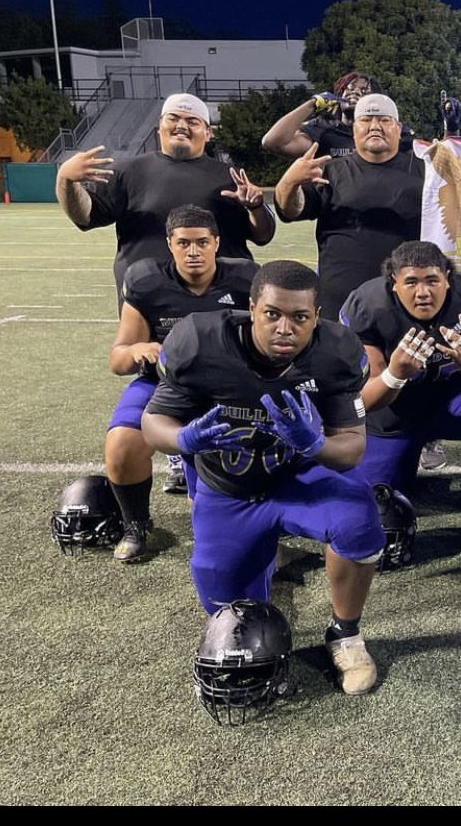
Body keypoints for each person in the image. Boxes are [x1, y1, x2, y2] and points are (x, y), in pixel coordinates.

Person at [141, 260, 385, 696]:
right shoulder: (201, 342)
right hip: (229, 489)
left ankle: (345, 634)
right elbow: (153, 421)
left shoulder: (336, 353)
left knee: (359, 519)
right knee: (228, 609)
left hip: (299, 480)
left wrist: (313, 445)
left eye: (300, 317)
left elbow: (351, 448)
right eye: (273, 314)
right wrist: (184, 438)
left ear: (317, 316)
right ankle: (261, 575)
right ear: (252, 308)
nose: (285, 328)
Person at [339, 240, 461, 556]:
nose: (423, 292)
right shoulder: (368, 306)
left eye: (432, 280)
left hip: (451, 402)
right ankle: (405, 458)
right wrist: (395, 373)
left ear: (447, 278)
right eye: (411, 282)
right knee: (379, 502)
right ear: (394, 283)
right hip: (393, 415)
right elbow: (362, 401)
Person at [105, 205, 257, 560]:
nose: (193, 252)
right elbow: (118, 359)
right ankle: (136, 524)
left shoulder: (245, 280)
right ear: (169, 245)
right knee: (121, 443)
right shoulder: (147, 282)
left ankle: (254, 523)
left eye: (202, 242)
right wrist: (137, 349)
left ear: (216, 243)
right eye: (184, 243)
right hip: (165, 384)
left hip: (227, 386)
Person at [55, 93, 275, 299]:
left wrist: (255, 207)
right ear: (159, 128)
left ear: (208, 133)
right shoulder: (128, 172)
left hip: (215, 298)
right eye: (173, 118)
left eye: (192, 121)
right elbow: (86, 217)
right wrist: (66, 180)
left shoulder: (229, 177)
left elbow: (262, 236)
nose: (181, 125)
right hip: (148, 298)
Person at [274, 92, 425, 321]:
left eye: (384, 120)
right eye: (366, 120)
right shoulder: (329, 170)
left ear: (398, 128)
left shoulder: (424, 171)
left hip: (409, 300)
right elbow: (290, 210)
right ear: (354, 129)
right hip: (341, 303)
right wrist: (289, 182)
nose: (375, 126)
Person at [261, 70, 379, 159]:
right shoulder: (322, 129)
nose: (355, 92)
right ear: (339, 95)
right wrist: (312, 104)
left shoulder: (381, 132)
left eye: (364, 91)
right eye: (350, 88)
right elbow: (272, 142)